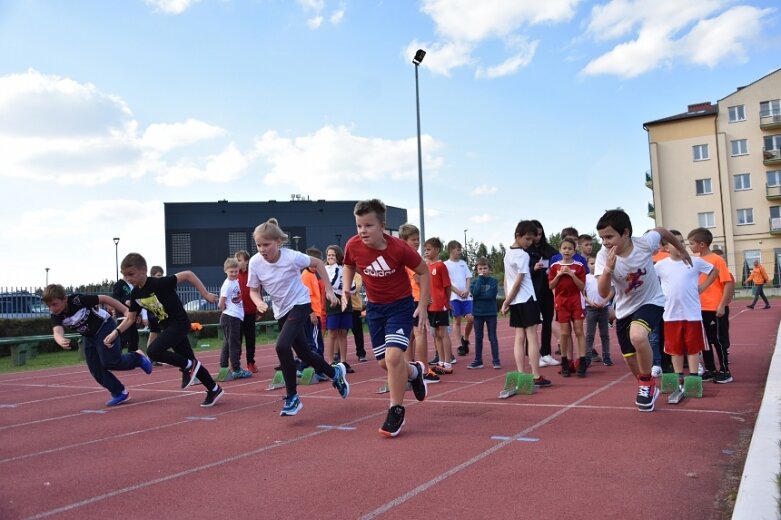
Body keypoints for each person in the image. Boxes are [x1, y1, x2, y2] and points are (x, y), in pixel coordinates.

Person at [341, 199, 430, 437]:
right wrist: (346, 288)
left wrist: (422, 305)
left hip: (400, 307)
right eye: (359, 226)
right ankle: (414, 373)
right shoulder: (353, 245)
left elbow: (424, 271)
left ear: (382, 225)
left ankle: (396, 410)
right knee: (384, 363)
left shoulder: (399, 248)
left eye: (368, 225)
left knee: (393, 359)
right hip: (375, 309)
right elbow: (348, 264)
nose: (362, 231)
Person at [248, 219, 350, 416]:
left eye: (266, 245)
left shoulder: (291, 257)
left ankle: (292, 397)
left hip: (300, 304)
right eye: (259, 245)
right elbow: (253, 290)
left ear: (278, 242)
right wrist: (258, 301)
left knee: (282, 346)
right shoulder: (254, 263)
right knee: (304, 354)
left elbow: (318, 263)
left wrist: (328, 289)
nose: (262, 249)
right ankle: (335, 373)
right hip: (282, 310)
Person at [595, 209, 689, 412]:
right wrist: (608, 269)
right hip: (625, 309)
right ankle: (647, 385)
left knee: (638, 336)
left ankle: (646, 383)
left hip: (652, 301)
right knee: (630, 358)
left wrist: (682, 250)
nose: (605, 242)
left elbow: (663, 231)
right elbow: (603, 293)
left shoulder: (645, 243)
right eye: (601, 238)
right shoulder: (604, 256)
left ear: (626, 233)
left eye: (609, 236)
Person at [105, 253, 225, 407]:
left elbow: (188, 274)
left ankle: (188, 367)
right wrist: (115, 333)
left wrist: (206, 294)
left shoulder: (159, 283)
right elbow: (130, 318)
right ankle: (214, 389)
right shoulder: (136, 293)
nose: (128, 278)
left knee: (153, 351)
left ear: (143, 270)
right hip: (167, 327)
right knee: (190, 361)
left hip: (179, 323)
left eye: (131, 274)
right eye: (124, 275)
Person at [43, 284, 153, 406]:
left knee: (110, 362)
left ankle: (137, 358)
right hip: (89, 336)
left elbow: (105, 298)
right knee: (95, 368)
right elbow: (57, 331)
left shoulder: (77, 300)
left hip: (104, 326)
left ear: (64, 299)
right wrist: (60, 339)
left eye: (54, 304)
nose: (52, 308)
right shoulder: (56, 315)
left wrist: (126, 310)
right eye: (49, 306)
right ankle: (119, 392)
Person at [654, 236, 717, 403]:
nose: (681, 245)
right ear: (667, 248)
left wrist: (702, 287)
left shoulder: (694, 261)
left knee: (693, 348)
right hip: (670, 315)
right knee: (675, 349)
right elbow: (650, 282)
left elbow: (713, 270)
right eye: (675, 242)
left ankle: (694, 378)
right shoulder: (660, 266)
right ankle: (678, 377)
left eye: (682, 242)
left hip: (692, 314)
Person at [501, 220, 551, 388]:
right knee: (531, 337)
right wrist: (507, 301)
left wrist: (507, 301)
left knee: (519, 337)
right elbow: (517, 281)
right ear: (518, 236)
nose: (530, 242)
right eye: (528, 239)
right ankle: (535, 375)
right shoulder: (523, 255)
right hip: (527, 299)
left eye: (532, 239)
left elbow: (507, 280)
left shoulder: (507, 253)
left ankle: (522, 374)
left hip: (516, 301)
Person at [687, 228, 735, 384]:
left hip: (715, 308)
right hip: (699, 308)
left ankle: (725, 371)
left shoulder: (717, 260)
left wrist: (722, 305)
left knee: (718, 340)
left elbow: (727, 283)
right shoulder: (694, 260)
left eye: (692, 243)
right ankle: (710, 369)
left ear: (702, 244)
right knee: (704, 341)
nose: (690, 246)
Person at [399, 223, 439, 383]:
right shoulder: (411, 257)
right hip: (415, 299)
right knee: (420, 333)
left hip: (407, 299)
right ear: (404, 240)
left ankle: (410, 367)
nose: (417, 242)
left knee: (410, 335)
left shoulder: (401, 256)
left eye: (418, 239)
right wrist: (426, 296)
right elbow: (418, 278)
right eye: (413, 239)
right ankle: (424, 370)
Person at [548, 238, 588, 377]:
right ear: (560, 250)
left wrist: (571, 274)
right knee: (565, 333)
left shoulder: (579, 266)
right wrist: (559, 275)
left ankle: (582, 361)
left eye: (570, 248)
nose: (567, 251)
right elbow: (551, 286)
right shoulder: (554, 266)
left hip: (576, 301)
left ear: (574, 251)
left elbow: (583, 286)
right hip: (562, 302)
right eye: (564, 248)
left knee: (579, 331)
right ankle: (565, 361)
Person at [526, 220, 560, 367]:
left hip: (547, 290)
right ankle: (532, 355)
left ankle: (546, 353)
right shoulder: (525, 252)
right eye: (535, 235)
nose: (537, 237)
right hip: (532, 291)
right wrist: (533, 267)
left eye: (540, 234)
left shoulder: (550, 251)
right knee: (533, 324)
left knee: (547, 321)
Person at [424, 237, 454, 375]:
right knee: (435, 334)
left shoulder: (441, 266)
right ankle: (441, 361)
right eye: (425, 249)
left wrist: (446, 302)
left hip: (440, 304)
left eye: (429, 249)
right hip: (430, 306)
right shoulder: (425, 267)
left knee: (443, 333)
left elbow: (447, 286)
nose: (426, 252)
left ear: (437, 250)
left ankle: (448, 362)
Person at [219, 257, 252, 379]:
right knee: (234, 344)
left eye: (235, 271)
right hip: (230, 317)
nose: (233, 274)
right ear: (225, 271)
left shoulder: (235, 281)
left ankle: (223, 366)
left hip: (235, 317)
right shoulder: (227, 285)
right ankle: (236, 369)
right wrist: (227, 311)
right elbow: (221, 303)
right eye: (231, 271)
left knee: (228, 343)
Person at [324, 245, 355, 373]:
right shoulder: (326, 269)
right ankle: (330, 362)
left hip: (345, 301)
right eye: (329, 255)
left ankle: (343, 361)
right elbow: (332, 283)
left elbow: (352, 287)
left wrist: (345, 292)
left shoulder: (345, 269)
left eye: (333, 255)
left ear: (338, 256)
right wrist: (341, 288)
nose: (330, 257)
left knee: (343, 333)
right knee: (332, 333)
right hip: (332, 301)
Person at [469, 257, 501, 369]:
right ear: (477, 271)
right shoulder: (474, 282)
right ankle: (478, 360)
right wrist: (480, 280)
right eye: (480, 269)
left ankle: (496, 360)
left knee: (492, 337)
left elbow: (491, 295)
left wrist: (480, 296)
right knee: (478, 337)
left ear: (490, 269)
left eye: (485, 268)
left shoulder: (494, 281)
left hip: (491, 313)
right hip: (478, 314)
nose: (483, 270)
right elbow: (475, 293)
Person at [584, 255, 614, 367]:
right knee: (590, 334)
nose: (594, 266)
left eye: (596, 263)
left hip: (603, 308)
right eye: (591, 263)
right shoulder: (586, 277)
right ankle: (587, 357)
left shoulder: (605, 277)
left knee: (604, 334)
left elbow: (612, 291)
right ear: (587, 265)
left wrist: (605, 301)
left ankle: (606, 356)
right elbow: (582, 293)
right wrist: (590, 302)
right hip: (591, 308)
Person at [445, 240, 473, 358]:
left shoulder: (463, 263)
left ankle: (465, 339)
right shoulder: (445, 264)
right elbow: (447, 282)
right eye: (458, 249)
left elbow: (468, 278)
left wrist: (466, 290)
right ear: (451, 250)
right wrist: (458, 292)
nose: (460, 252)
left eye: (460, 249)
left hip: (467, 296)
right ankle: (460, 345)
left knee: (471, 318)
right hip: (454, 296)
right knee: (457, 320)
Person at [235, 250, 259, 373]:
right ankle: (236, 363)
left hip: (250, 312)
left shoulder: (252, 274)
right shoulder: (234, 275)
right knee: (237, 339)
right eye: (236, 260)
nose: (237, 263)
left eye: (239, 260)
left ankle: (250, 362)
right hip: (237, 313)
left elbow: (258, 291)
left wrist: (259, 309)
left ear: (246, 261)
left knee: (250, 339)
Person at [112, 275, 139, 353]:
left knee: (134, 338)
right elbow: (115, 298)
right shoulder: (119, 284)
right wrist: (125, 301)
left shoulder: (132, 285)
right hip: (123, 316)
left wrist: (138, 314)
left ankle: (133, 357)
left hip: (132, 315)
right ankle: (114, 356)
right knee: (123, 338)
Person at [350, 273, 367, 361]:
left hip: (355, 307)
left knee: (357, 332)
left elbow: (356, 288)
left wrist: (341, 288)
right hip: (342, 307)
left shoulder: (357, 276)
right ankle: (337, 354)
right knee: (340, 333)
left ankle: (361, 353)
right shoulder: (338, 271)